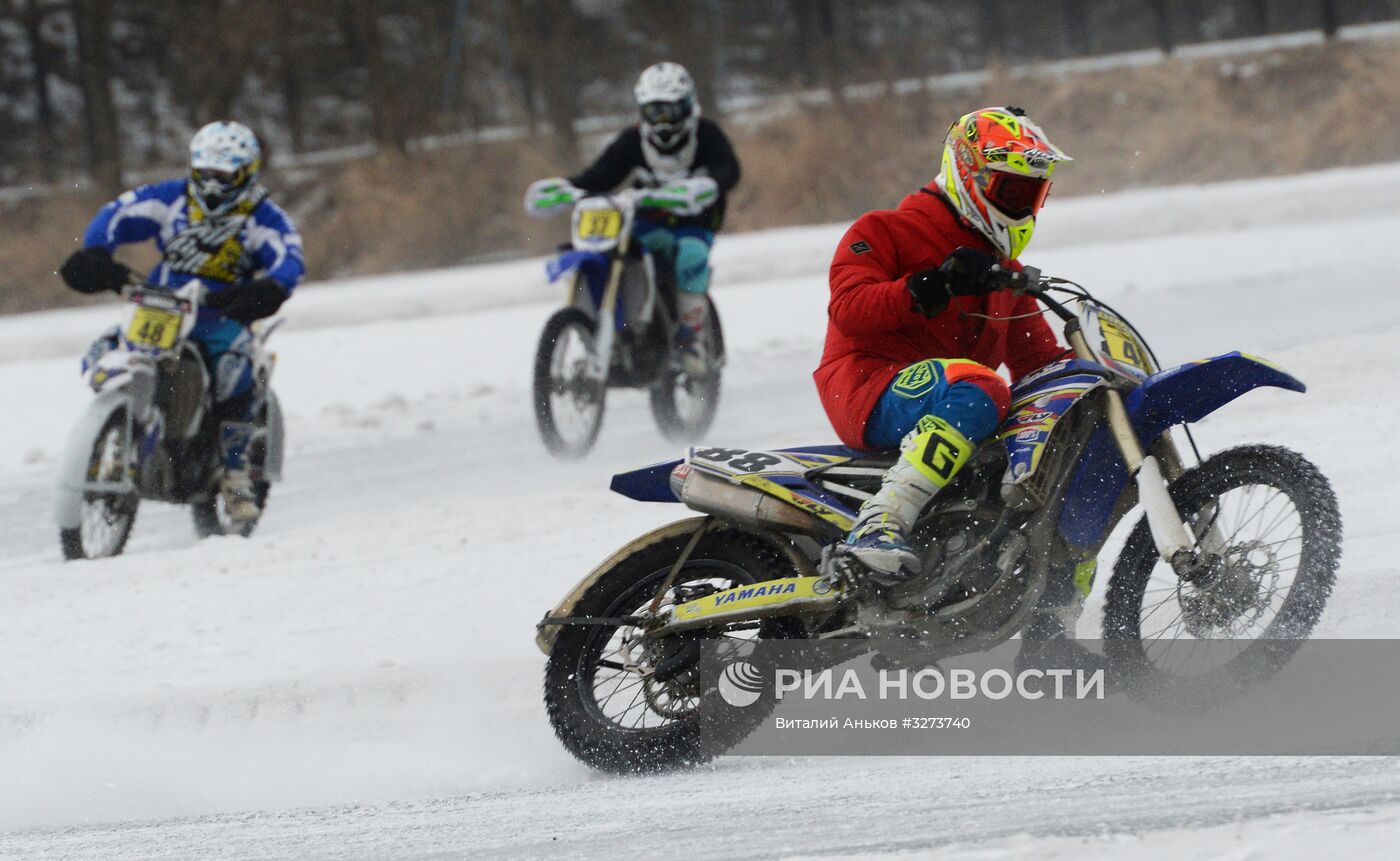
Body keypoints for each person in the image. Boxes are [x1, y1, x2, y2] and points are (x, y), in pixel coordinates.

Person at [815, 106, 1072, 599]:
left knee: (1058, 429)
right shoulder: (883, 229)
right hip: (867, 388)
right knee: (983, 386)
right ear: (968, 173)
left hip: (950, 401)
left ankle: (1050, 623)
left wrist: (1092, 373)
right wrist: (931, 286)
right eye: (1011, 190)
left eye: (1031, 193)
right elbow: (848, 307)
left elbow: (1040, 366)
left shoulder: (1002, 270)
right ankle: (878, 522)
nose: (1022, 205)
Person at [59, 120, 304, 523]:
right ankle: (119, 427)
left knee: (233, 373)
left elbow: (288, 257)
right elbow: (116, 213)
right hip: (161, 305)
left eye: (222, 174)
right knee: (109, 346)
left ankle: (235, 470)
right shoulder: (172, 198)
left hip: (222, 313)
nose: (211, 183)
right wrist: (98, 254)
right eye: (204, 171)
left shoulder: (264, 217)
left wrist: (269, 288)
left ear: (245, 172)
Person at [524, 61, 741, 373]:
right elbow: (600, 176)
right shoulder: (632, 141)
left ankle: (691, 339)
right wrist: (567, 188)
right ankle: (614, 330)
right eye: (655, 112)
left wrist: (708, 185)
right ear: (642, 111)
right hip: (645, 223)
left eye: (670, 111)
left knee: (690, 256)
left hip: (693, 224)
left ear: (688, 106)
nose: (663, 121)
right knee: (615, 254)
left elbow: (729, 169)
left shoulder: (707, 135)